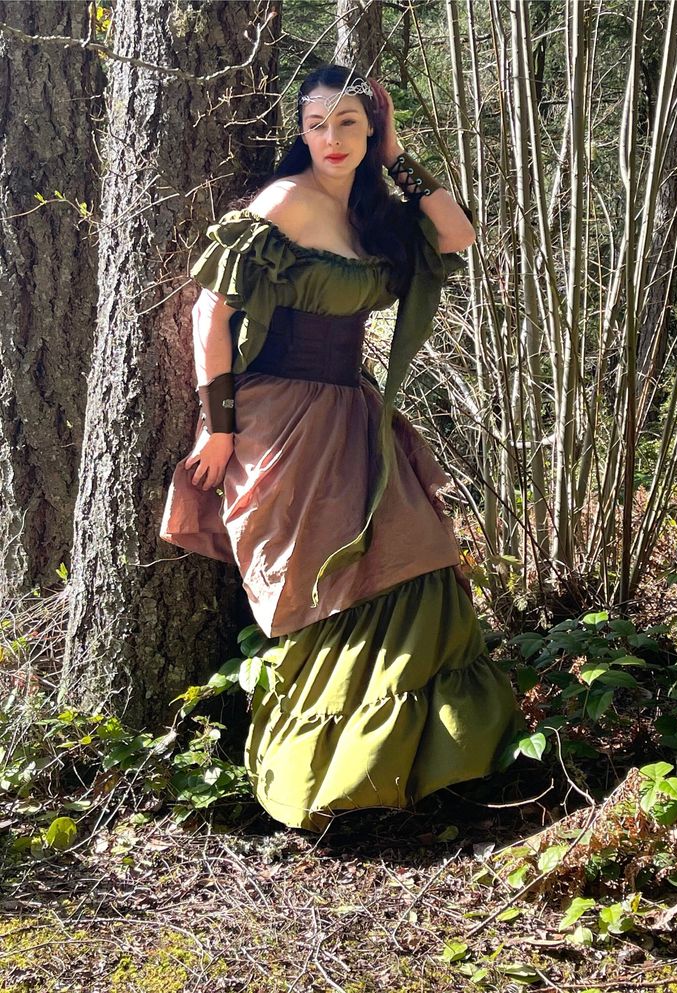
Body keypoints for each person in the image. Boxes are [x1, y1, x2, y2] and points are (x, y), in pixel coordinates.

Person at [160, 64, 521, 832]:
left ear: (370, 129)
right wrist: (219, 426)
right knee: (317, 589)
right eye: (317, 123)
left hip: (353, 416)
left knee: (413, 559)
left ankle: (413, 771)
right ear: (300, 130)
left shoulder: (377, 217)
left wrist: (396, 155)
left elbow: (456, 233)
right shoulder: (281, 203)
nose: (331, 139)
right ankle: (327, 790)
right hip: (276, 420)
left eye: (349, 123)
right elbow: (208, 316)